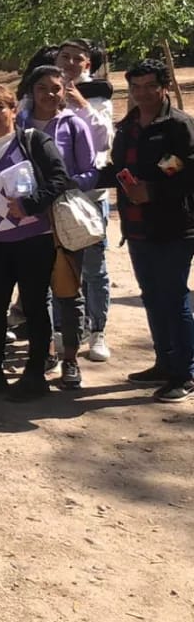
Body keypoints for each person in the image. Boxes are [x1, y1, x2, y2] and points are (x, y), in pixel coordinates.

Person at [0, 85, 73, 402]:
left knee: (35, 307)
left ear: (13, 110)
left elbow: (59, 178)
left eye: (0, 107)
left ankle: (35, 373)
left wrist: (30, 205)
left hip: (34, 240)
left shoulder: (33, 142)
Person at [102, 59, 194, 402]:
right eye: (136, 87)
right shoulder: (128, 126)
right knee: (152, 297)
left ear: (164, 87)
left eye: (149, 86)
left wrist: (152, 191)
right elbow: (122, 169)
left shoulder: (178, 126)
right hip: (137, 229)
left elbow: (186, 172)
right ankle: (164, 362)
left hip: (173, 229)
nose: (142, 93)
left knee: (174, 298)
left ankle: (184, 373)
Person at [16, 65, 99, 390]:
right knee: (36, 293)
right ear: (31, 92)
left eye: (56, 88)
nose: (49, 95)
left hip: (63, 222)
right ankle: (44, 351)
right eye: (42, 89)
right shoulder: (18, 124)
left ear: (64, 90)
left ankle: (70, 359)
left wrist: (56, 187)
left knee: (68, 293)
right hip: (29, 222)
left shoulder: (74, 125)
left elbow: (90, 171)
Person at [56, 38, 114, 361]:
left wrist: (81, 104)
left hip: (90, 195)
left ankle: (97, 331)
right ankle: (63, 334)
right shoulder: (45, 88)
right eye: (64, 57)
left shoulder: (99, 94)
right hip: (56, 196)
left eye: (77, 58)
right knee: (59, 268)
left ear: (87, 64)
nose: (69, 63)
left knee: (94, 268)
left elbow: (104, 139)